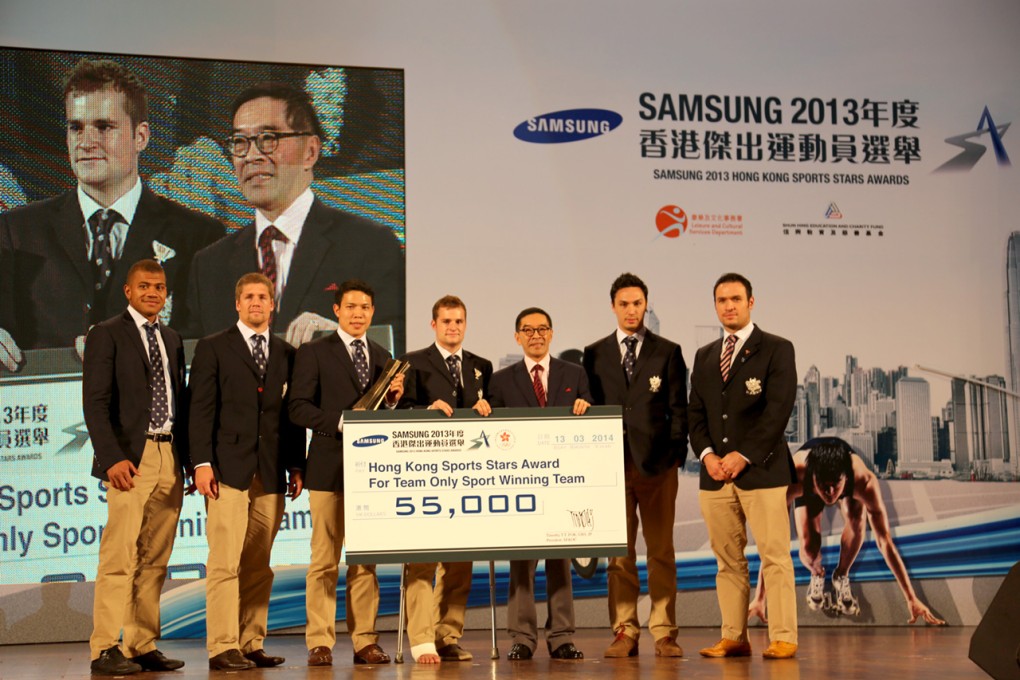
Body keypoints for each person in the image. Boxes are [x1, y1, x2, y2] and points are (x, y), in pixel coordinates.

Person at [0, 58, 223, 368]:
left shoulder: (199, 236)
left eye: (104, 127)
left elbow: (216, 353)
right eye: (75, 127)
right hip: (51, 410)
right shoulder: (16, 231)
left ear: (141, 137)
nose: (86, 142)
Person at [185, 81, 404, 349]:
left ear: (310, 151)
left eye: (268, 139)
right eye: (240, 142)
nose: (251, 156)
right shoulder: (209, 265)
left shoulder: (370, 246)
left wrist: (346, 343)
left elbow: (399, 355)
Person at [187, 272, 307, 670]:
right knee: (225, 562)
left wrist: (296, 464)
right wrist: (200, 464)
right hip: (226, 472)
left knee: (259, 566)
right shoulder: (213, 348)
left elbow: (290, 418)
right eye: (249, 297)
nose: (257, 302)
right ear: (237, 304)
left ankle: (250, 642)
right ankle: (222, 646)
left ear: (273, 305)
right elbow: (200, 410)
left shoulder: (287, 353)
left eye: (263, 296)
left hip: (271, 473)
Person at [288, 279, 404, 666]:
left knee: (364, 561)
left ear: (373, 312)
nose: (358, 313)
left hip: (369, 474)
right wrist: (340, 423)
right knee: (323, 560)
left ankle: (364, 640)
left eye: (365, 307)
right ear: (336, 310)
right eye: (351, 306)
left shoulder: (384, 355)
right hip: (327, 467)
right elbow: (298, 408)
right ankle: (319, 641)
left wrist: (391, 403)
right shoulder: (314, 351)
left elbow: (385, 419)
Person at [82, 258, 189, 675]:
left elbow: (178, 401)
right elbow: (94, 402)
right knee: (119, 556)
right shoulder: (106, 334)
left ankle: (140, 643)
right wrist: (112, 458)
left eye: (159, 287)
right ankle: (105, 646)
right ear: (128, 291)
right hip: (131, 456)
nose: (152, 293)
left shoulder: (173, 338)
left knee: (156, 558)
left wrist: (188, 460)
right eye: (144, 286)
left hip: (169, 456)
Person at [687, 272, 799, 660]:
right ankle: (734, 636)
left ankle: (783, 636)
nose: (728, 306)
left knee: (775, 556)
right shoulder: (703, 357)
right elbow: (695, 414)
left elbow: (777, 411)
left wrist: (743, 455)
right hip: (714, 475)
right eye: (721, 300)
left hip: (762, 471)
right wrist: (708, 456)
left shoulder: (777, 349)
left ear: (752, 302)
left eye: (736, 298)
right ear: (715, 305)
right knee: (728, 561)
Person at [582, 273, 688, 658]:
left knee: (661, 552)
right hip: (611, 469)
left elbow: (679, 410)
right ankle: (624, 630)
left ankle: (664, 631)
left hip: (658, 468)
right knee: (619, 556)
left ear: (646, 305)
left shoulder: (668, 351)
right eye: (624, 304)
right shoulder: (593, 354)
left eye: (638, 303)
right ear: (613, 306)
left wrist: (674, 456)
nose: (631, 310)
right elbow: (588, 407)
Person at [748, 437, 946, 626]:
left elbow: (885, 541)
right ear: (813, 479)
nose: (831, 493)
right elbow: (774, 540)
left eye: (836, 486)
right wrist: (759, 598)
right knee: (809, 548)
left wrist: (911, 598)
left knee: (854, 515)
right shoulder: (792, 478)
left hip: (841, 478)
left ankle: (841, 575)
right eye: (825, 487)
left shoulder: (863, 481)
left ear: (845, 478)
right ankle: (817, 573)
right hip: (807, 481)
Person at [488, 307, 590, 661]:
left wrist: (585, 406)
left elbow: (590, 423)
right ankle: (522, 638)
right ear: (517, 336)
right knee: (521, 565)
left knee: (560, 561)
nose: (535, 335)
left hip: (563, 484)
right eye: (527, 330)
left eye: (542, 329)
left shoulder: (574, 374)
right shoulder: (501, 380)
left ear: (551, 333)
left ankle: (562, 636)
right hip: (520, 486)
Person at [398, 295, 493, 663]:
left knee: (459, 563)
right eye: (446, 321)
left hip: (467, 478)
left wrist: (487, 408)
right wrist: (426, 410)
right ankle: (421, 640)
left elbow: (491, 418)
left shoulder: (480, 366)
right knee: (421, 560)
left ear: (465, 325)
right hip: (424, 476)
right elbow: (398, 410)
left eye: (459, 321)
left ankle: (447, 635)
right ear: (433, 324)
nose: (453, 327)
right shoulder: (412, 363)